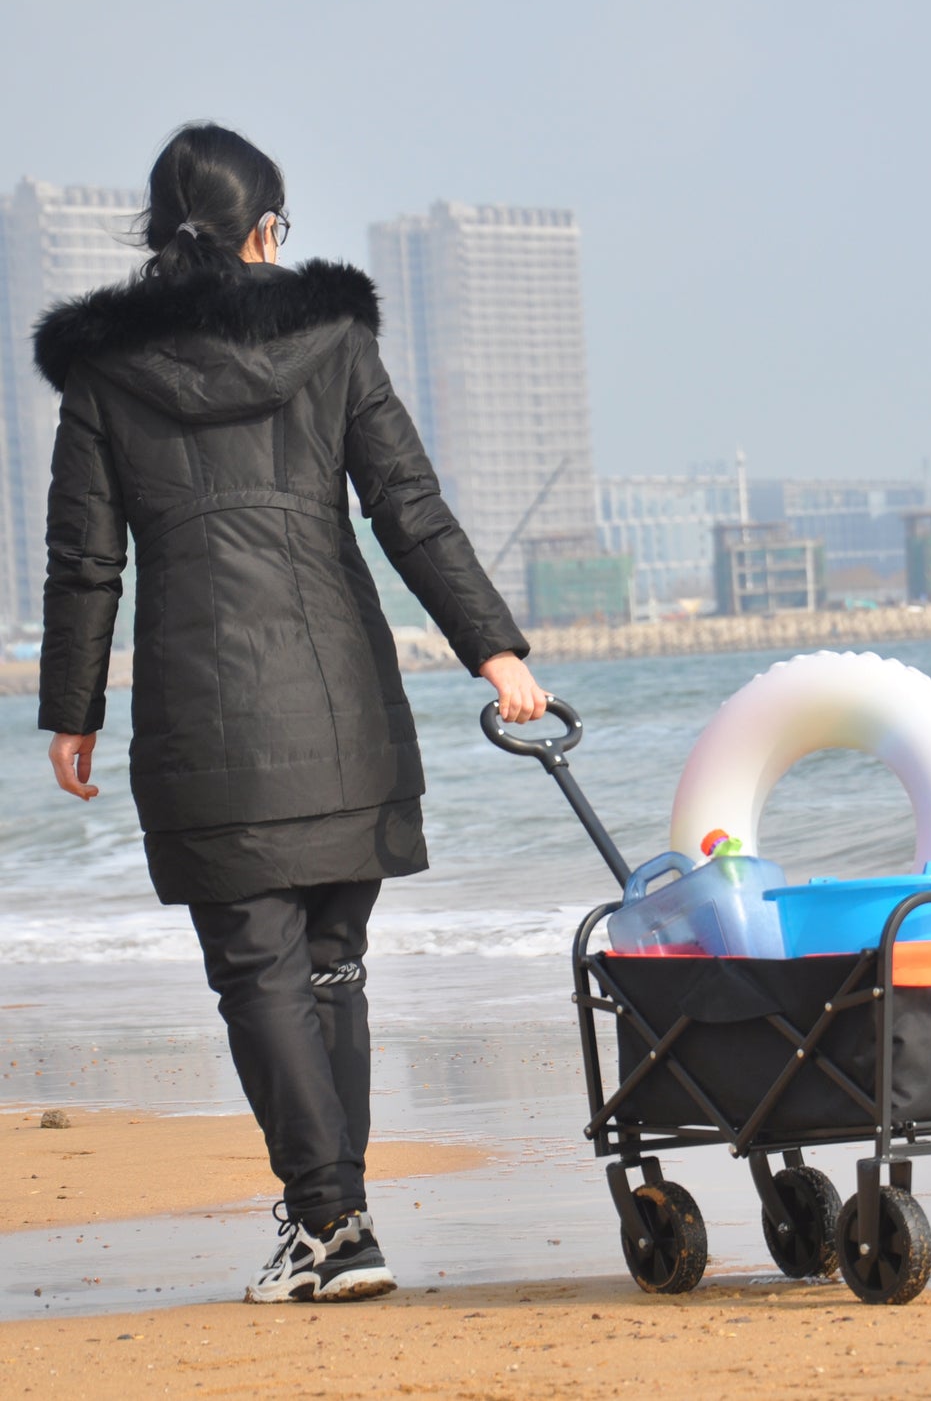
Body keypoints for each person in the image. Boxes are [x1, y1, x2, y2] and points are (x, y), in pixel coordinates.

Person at [33, 122, 549, 1304]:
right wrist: (496, 650)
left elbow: (84, 561)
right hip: (341, 700)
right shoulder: (334, 338)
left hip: (200, 716)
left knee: (259, 971)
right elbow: (406, 507)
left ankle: (330, 1224)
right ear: (265, 229)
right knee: (331, 965)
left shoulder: (106, 372)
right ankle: (337, 1220)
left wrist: (72, 709)